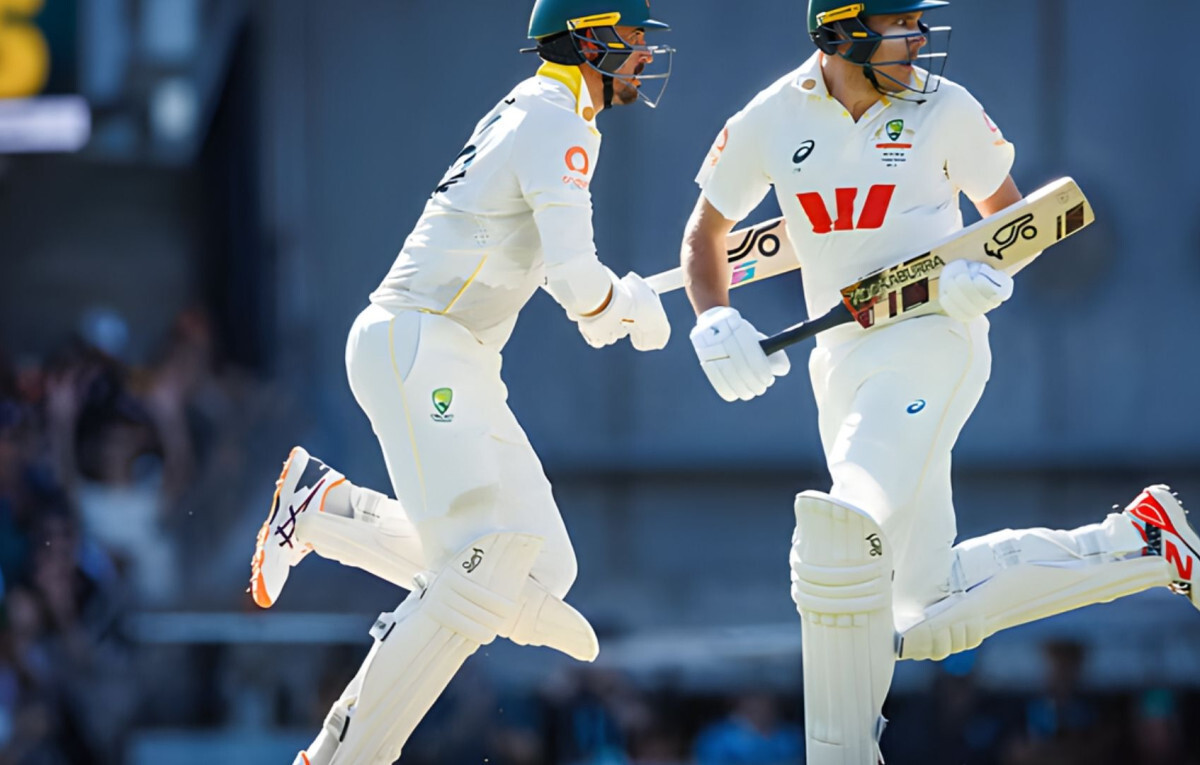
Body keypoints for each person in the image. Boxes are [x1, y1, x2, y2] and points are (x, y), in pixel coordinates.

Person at [679, 1, 1200, 763]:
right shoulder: (769, 118)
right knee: (922, 611)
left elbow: (1012, 221)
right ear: (843, 31)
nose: (919, 37)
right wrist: (714, 319)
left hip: (935, 335)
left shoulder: (944, 107)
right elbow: (707, 234)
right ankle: (1142, 542)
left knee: (846, 525)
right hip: (842, 359)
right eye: (901, 23)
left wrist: (977, 278)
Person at [248, 2, 674, 763]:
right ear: (590, 39)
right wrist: (622, 304)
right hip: (420, 342)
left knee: (542, 570)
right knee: (471, 576)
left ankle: (324, 510)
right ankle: (344, 752)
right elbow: (579, 282)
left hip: (460, 355)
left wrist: (612, 309)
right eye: (634, 38)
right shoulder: (558, 121)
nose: (645, 54)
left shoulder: (548, 112)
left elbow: (561, 280)